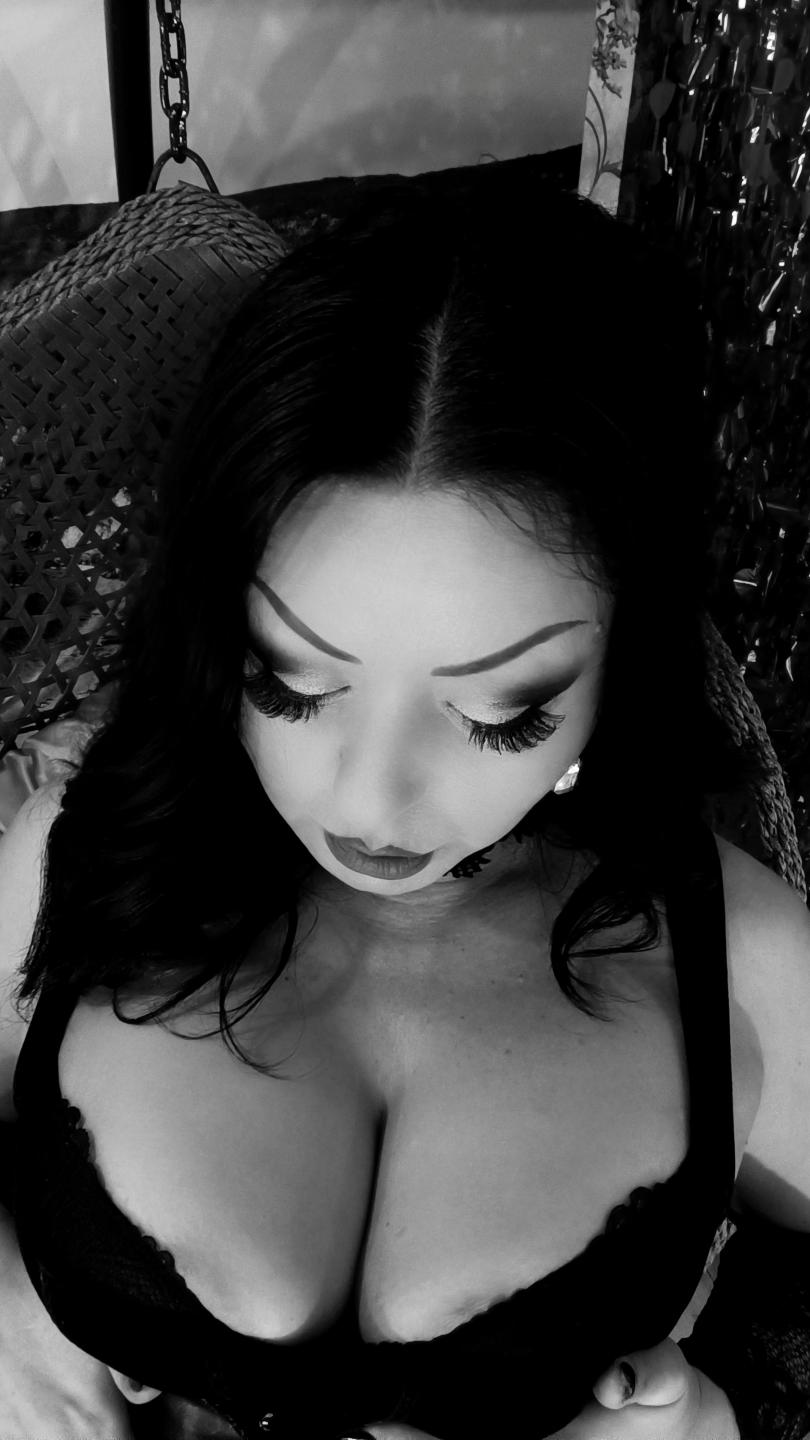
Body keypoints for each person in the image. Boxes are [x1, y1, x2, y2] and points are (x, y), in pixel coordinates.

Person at [1, 177, 808, 1440]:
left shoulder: (746, 966)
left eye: (503, 713)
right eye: (288, 681)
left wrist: (716, 1428)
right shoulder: (71, 856)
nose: (369, 798)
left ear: (625, 657)